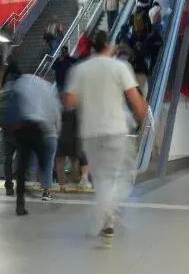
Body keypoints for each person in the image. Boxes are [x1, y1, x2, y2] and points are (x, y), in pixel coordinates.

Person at [64, 30, 149, 247]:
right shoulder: (120, 67)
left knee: (101, 179)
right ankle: (101, 214)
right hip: (115, 130)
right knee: (118, 178)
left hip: (91, 133)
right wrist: (143, 120)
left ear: (92, 47)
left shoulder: (80, 69)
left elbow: (69, 102)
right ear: (109, 47)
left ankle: (107, 224)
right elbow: (135, 98)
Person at [11, 74, 61, 213]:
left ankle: (20, 202)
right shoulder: (47, 88)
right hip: (39, 128)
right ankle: (46, 189)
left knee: (23, 164)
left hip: (21, 127)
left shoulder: (21, 81)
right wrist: (56, 131)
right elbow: (55, 111)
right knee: (45, 162)